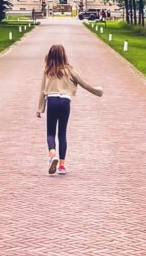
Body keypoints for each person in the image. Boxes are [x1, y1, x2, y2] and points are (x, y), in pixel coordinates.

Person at [36, 44, 103, 175]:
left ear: (50, 56)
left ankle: (52, 154)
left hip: (52, 101)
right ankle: (61, 165)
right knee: (62, 133)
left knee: (50, 133)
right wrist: (98, 91)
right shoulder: (70, 70)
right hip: (65, 102)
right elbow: (84, 83)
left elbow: (42, 91)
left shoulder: (47, 71)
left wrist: (40, 108)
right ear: (63, 55)